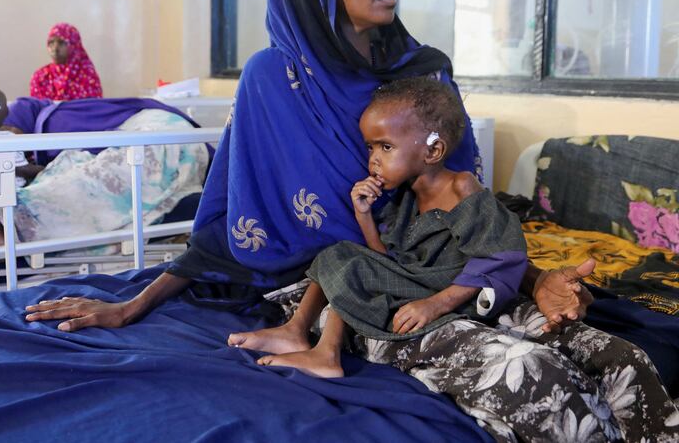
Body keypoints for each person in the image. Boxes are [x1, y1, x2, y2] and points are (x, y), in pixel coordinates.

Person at [22, 0, 677, 439]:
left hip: (450, 273)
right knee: (531, 373)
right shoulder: (272, 81)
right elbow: (225, 225)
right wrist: (132, 304)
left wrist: (537, 281)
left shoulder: (424, 75)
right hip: (342, 289)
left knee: (621, 358)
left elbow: (464, 210)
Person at [243, 77, 678, 441]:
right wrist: (364, 216)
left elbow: (502, 254)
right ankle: (301, 334)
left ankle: (322, 349)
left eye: (385, 147)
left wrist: (438, 303)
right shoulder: (403, 198)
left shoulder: (462, 188)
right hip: (423, 283)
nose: (373, 158)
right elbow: (383, 259)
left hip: (458, 294)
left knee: (342, 259)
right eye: (370, 147)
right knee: (343, 256)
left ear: (432, 150)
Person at [0, 101, 209, 251]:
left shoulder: (54, 117)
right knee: (74, 176)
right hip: (136, 147)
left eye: (6, 129)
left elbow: (94, 157)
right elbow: (65, 166)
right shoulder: (43, 135)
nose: (8, 137)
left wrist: (26, 165)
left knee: (98, 179)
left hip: (167, 136)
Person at [30, 23, 103, 100]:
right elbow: (36, 109)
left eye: (61, 43)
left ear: (74, 45)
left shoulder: (87, 75)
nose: (55, 49)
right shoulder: (41, 76)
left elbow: (93, 108)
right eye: (51, 43)